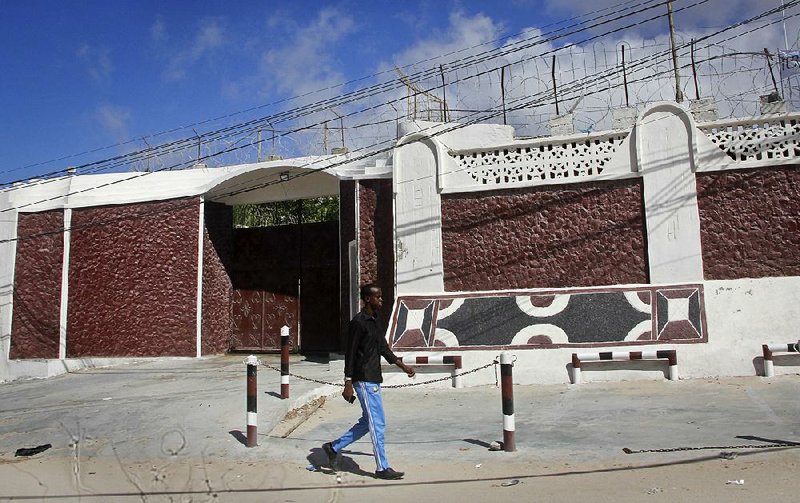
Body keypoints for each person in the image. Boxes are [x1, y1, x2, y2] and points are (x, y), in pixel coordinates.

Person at [322, 283, 415, 480]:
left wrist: (402, 366)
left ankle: (333, 447)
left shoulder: (375, 320)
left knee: (368, 422)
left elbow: (383, 348)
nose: (381, 300)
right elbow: (351, 353)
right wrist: (348, 382)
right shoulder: (358, 322)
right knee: (378, 424)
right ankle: (382, 467)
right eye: (378, 297)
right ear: (367, 299)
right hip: (363, 379)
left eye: (381, 296)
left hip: (373, 378)